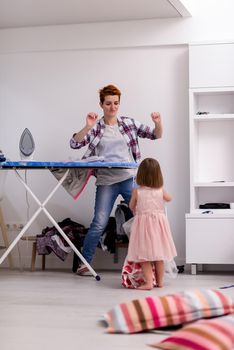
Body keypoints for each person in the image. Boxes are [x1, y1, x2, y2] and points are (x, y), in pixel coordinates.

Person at [70, 84, 163, 275]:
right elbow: (74, 143)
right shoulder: (96, 128)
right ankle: (84, 264)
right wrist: (87, 126)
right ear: (101, 104)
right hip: (106, 181)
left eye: (116, 103)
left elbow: (156, 135)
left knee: (144, 218)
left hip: (129, 179)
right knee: (99, 222)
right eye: (108, 103)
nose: (113, 107)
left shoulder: (128, 124)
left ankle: (151, 264)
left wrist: (158, 123)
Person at [125, 157, 177, 290]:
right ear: (158, 175)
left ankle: (148, 282)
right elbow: (170, 198)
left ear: (140, 174)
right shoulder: (160, 191)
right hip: (159, 227)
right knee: (159, 256)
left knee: (144, 256)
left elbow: (131, 206)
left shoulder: (137, 192)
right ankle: (160, 282)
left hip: (143, 227)